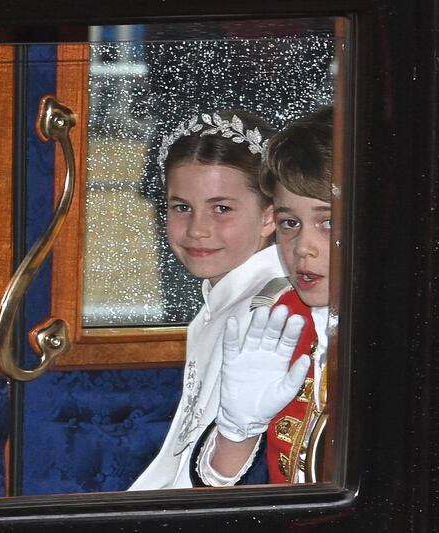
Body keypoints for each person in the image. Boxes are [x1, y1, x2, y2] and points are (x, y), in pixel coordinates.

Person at [129, 110, 284, 489]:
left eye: (222, 209)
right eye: (181, 207)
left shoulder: (265, 310)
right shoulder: (224, 299)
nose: (197, 229)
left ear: (269, 217)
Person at [192, 107, 334, 485]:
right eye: (290, 223)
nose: (303, 247)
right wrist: (238, 429)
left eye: (329, 222)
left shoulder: (436, 334)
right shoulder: (279, 317)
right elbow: (216, 491)